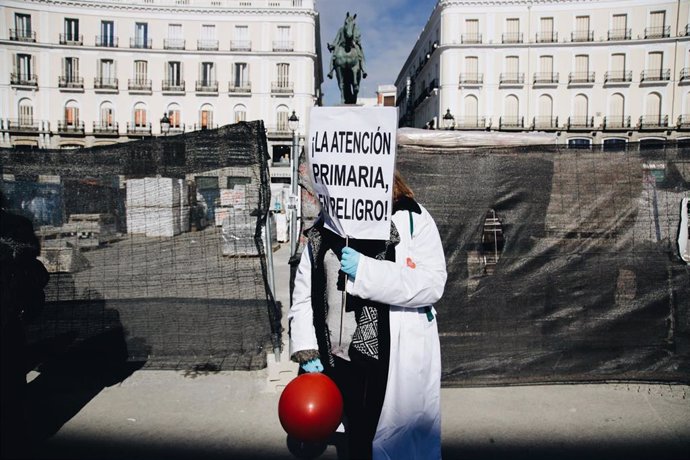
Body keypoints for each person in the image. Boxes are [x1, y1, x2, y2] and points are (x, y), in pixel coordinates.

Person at [288, 171, 447, 459]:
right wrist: (306, 346)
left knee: (383, 440)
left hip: (385, 361)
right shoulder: (326, 225)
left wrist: (366, 271)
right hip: (335, 361)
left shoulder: (412, 217)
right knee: (356, 441)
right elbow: (304, 291)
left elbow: (432, 284)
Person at [327, 12, 367, 80]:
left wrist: (356, 41)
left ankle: (363, 70)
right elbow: (336, 39)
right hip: (341, 45)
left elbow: (358, 37)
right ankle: (331, 71)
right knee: (334, 56)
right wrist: (332, 45)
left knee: (360, 54)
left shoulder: (356, 29)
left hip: (353, 44)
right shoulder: (341, 30)